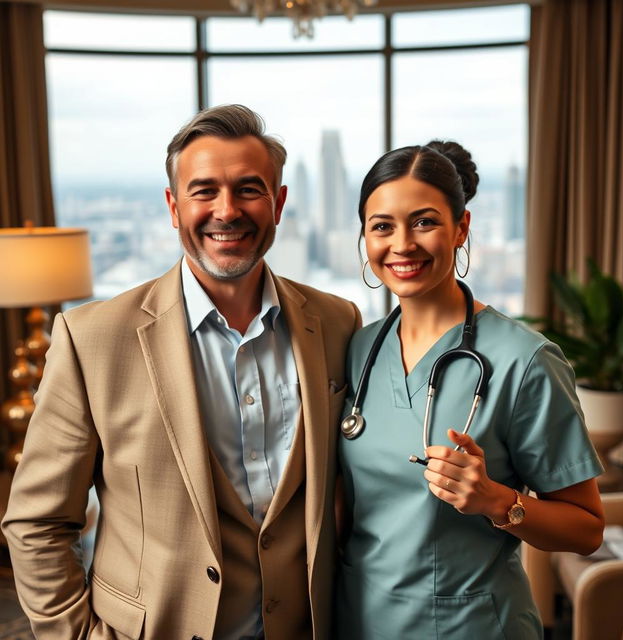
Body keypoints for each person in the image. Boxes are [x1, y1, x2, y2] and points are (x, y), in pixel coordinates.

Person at [2, 104, 361, 640]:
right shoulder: (93, 338)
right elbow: (37, 523)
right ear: (173, 206)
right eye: (204, 191)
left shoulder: (337, 322)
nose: (226, 210)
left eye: (248, 189)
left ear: (279, 203)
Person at [334, 140, 605, 639]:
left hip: (471, 626)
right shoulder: (357, 350)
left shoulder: (525, 360)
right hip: (360, 620)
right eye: (382, 226)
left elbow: (587, 529)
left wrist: (494, 500)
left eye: (424, 222)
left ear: (461, 228)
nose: (402, 245)